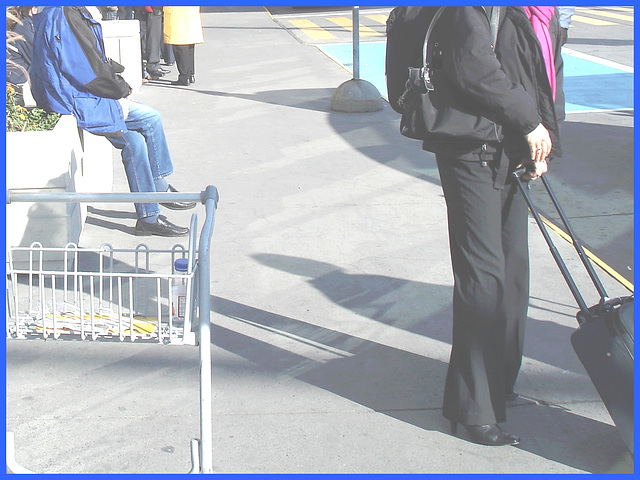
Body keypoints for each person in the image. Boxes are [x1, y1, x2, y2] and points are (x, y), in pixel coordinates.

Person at [420, 7, 564, 446]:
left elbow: (540, 77)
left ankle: (498, 381)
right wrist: (529, 122)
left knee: (513, 272)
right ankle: (471, 408)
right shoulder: (469, 8)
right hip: (469, 149)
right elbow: (474, 70)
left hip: (510, 147)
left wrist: (537, 142)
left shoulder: (540, 13)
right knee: (482, 276)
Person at [29, 6, 195, 237]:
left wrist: (115, 73)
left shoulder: (62, 12)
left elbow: (89, 58)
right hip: (76, 97)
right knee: (149, 120)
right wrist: (121, 88)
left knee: (135, 140)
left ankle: (150, 211)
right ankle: (158, 192)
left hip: (74, 93)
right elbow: (86, 69)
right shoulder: (65, 14)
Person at [163, 6, 204, 86]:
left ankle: (184, 76)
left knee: (179, 43)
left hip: (177, 11)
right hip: (190, 10)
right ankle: (190, 74)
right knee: (189, 41)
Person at [6, 6, 38, 88]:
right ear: (33, 9)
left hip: (13, 81)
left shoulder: (18, 24)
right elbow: (38, 57)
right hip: (19, 85)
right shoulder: (25, 27)